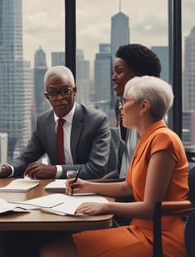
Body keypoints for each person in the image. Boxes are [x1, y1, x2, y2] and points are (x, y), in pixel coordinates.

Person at [40, 76, 189, 257]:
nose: (121, 107)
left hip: (159, 237)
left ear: (144, 106)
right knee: (56, 245)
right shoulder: (148, 138)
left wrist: (106, 207)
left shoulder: (163, 140)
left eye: (125, 101)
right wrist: (87, 186)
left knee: (52, 251)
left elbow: (151, 208)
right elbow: (129, 186)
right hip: (141, 228)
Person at [0, 65, 111, 179]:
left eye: (65, 91)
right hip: (55, 191)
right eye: (53, 93)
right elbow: (26, 158)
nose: (59, 98)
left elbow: (96, 168)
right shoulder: (43, 122)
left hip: (89, 188)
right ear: (47, 96)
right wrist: (5, 169)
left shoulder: (97, 121)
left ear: (74, 91)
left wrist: (54, 170)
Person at [112, 43, 161, 178]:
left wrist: (90, 186)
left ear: (138, 78)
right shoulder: (125, 111)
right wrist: (83, 184)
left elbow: (134, 185)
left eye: (119, 71)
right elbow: (121, 174)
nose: (113, 77)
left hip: (134, 197)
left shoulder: (150, 121)